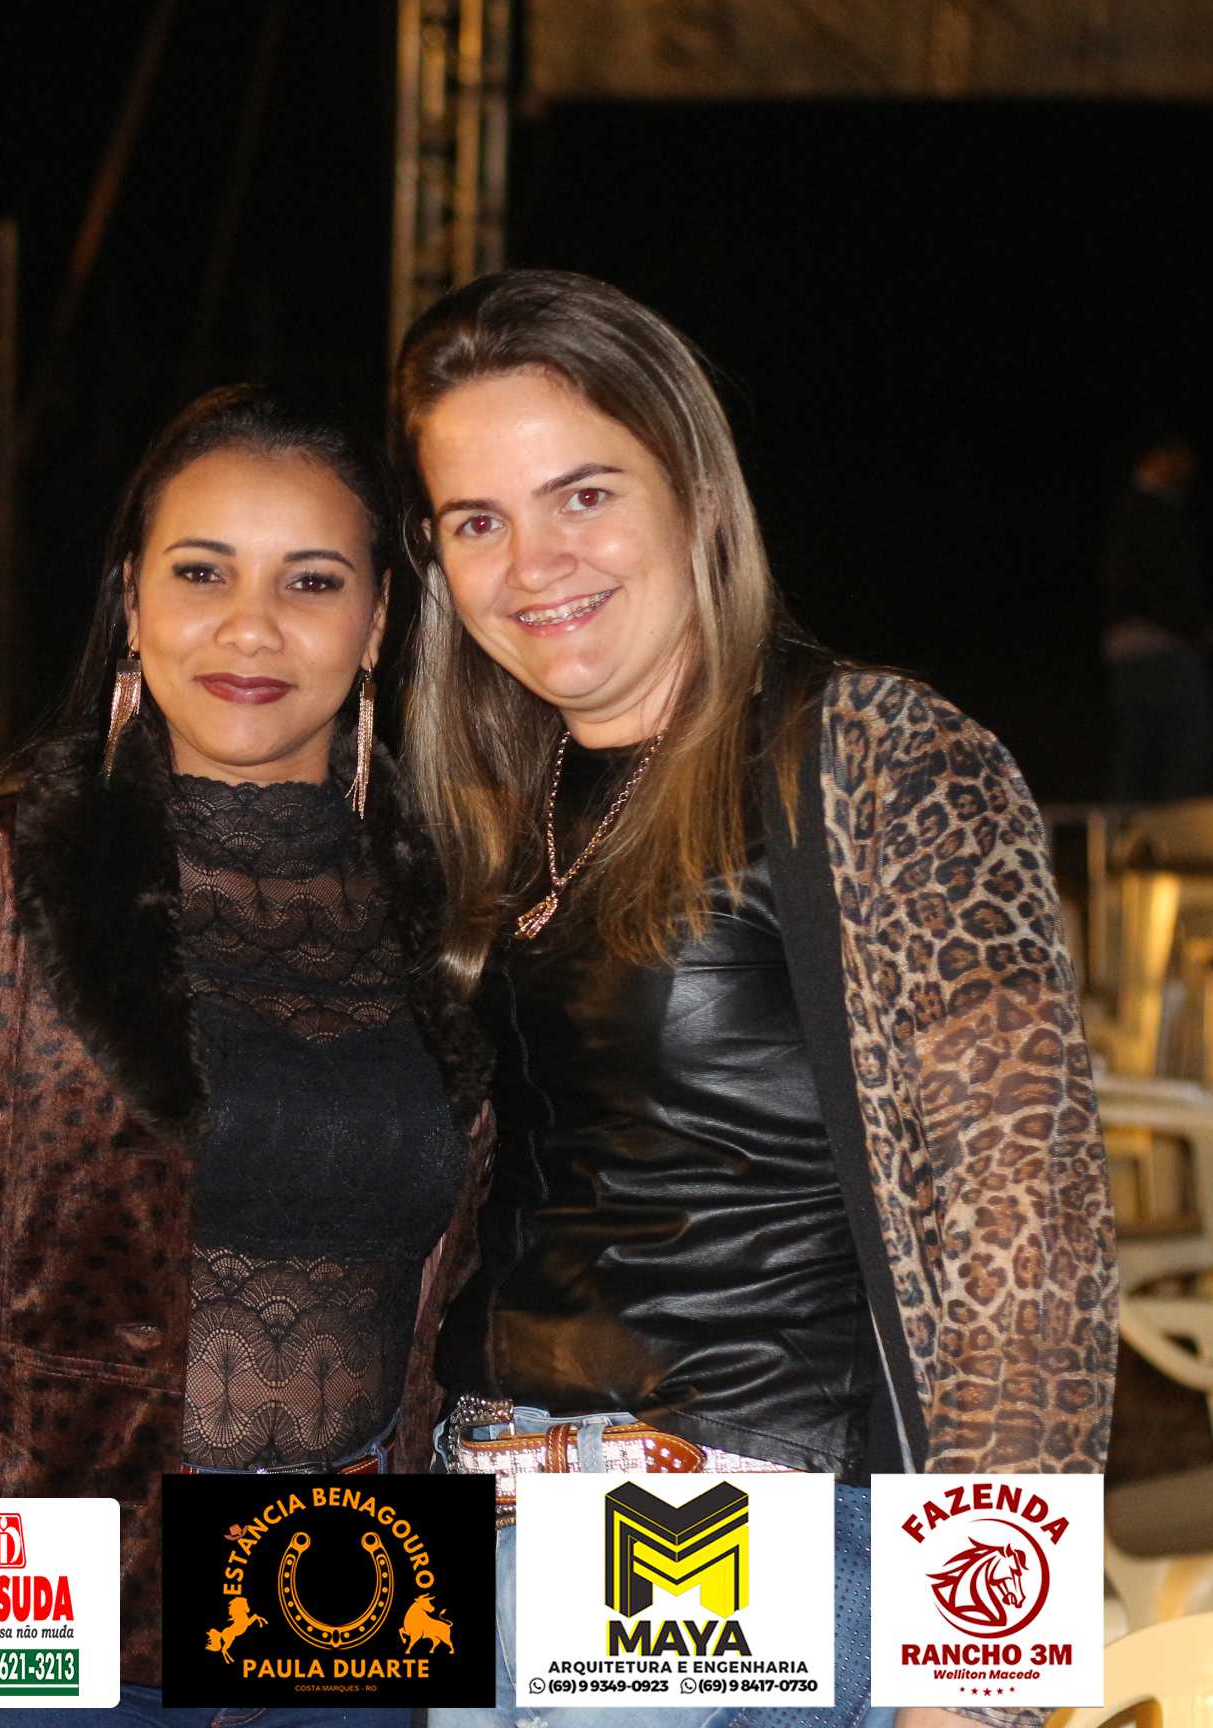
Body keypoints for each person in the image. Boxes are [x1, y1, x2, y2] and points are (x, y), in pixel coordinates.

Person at [390, 268, 1115, 1728]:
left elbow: (1027, 1217)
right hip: (477, 1518)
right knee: (151, 1649)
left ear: (694, 490)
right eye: (478, 521)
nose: (533, 563)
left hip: (722, 1538)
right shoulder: (497, 807)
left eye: (584, 495)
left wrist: (980, 1678)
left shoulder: (875, 753)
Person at [0, 385, 492, 1728]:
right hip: (46, 1613)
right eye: (202, 572)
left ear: (381, 622)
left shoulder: (450, 912)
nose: (251, 627)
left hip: (357, 1593)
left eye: (312, 581)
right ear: (132, 602)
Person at [1100, 433, 1209, 800]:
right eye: (1179, 456)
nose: (1188, 466)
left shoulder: (1140, 509)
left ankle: (1131, 826)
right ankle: (1168, 827)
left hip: (1135, 644)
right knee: (1185, 741)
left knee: (1140, 748)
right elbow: (1151, 583)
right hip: (1156, 642)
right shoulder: (1147, 510)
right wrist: (1193, 627)